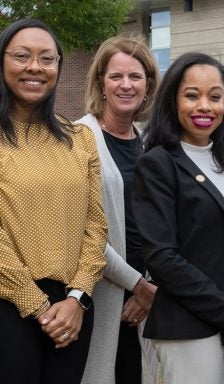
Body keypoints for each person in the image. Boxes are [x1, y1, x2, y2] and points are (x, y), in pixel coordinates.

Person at [132, 52, 224, 383]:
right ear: (173, 101)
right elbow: (162, 257)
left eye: (215, 96)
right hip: (189, 325)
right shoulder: (158, 164)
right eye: (192, 95)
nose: (205, 106)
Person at [0, 19, 107, 383]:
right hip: (8, 306)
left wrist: (77, 299)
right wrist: (39, 305)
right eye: (21, 56)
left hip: (73, 309)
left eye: (47, 58)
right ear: (2, 62)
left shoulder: (80, 139)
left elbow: (96, 227)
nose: (35, 67)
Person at [76, 34, 160, 384]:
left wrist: (148, 287)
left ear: (148, 85)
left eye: (135, 77)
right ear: (101, 83)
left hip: (146, 297)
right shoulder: (79, 138)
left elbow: (159, 225)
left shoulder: (147, 143)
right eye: (116, 76)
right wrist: (136, 284)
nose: (126, 85)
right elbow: (81, 228)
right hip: (100, 296)